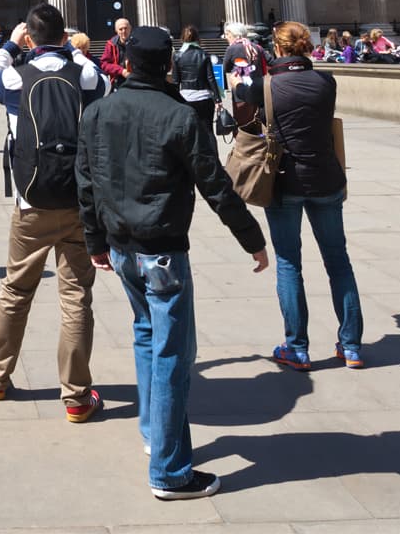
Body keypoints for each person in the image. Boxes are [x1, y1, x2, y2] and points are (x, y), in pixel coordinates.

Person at [78, 25, 268, 501]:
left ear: (124, 61)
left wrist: (94, 241)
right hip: (161, 246)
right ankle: (170, 472)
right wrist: (252, 239)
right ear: (167, 65)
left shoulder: (98, 111)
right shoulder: (181, 116)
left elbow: (87, 183)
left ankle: (152, 434)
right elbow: (215, 185)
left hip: (120, 246)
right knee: (172, 354)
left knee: (146, 335)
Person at [0, 4, 108, 423]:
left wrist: (9, 45)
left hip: (31, 200)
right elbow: (103, 80)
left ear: (31, 39)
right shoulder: (85, 72)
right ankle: (75, 396)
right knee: (76, 298)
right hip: (76, 200)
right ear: (65, 36)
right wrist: (74, 50)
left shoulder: (16, 75)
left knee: (16, 291)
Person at [235, 21, 363, 372]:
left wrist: (243, 81)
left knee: (290, 264)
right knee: (339, 262)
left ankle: (298, 348)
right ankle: (351, 346)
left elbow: (241, 114)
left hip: (284, 183)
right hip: (326, 180)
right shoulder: (326, 82)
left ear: (276, 48)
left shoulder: (263, 86)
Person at [172, 26, 220, 136]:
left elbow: (175, 81)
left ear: (182, 38)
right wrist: (218, 99)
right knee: (208, 131)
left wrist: (174, 100)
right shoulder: (204, 54)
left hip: (186, 98)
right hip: (204, 97)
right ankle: (212, 153)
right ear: (198, 38)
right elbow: (210, 78)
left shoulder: (177, 56)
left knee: (190, 133)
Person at [100, 17, 131, 87]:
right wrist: (121, 71)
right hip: (117, 82)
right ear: (116, 30)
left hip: (134, 80)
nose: (124, 31)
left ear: (130, 28)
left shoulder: (136, 43)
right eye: (121, 29)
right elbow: (104, 64)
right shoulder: (111, 44)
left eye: (126, 28)